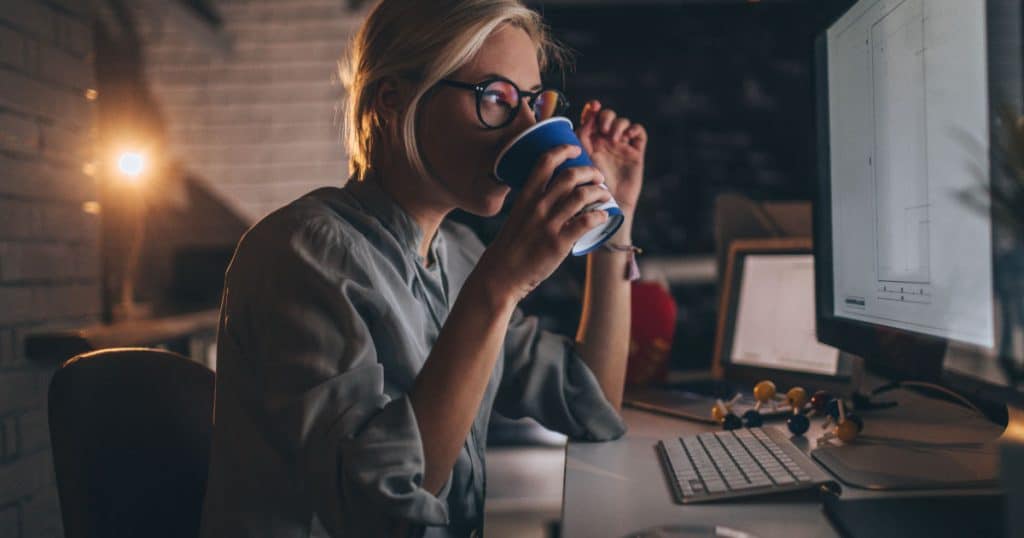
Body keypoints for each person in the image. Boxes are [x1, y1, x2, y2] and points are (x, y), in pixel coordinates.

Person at [199, 1, 648, 536]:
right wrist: (500, 287)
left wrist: (612, 228)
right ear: (393, 101)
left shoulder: (458, 255)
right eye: (496, 99)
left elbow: (593, 404)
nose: (527, 128)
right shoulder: (299, 253)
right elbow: (382, 511)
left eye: (532, 102)